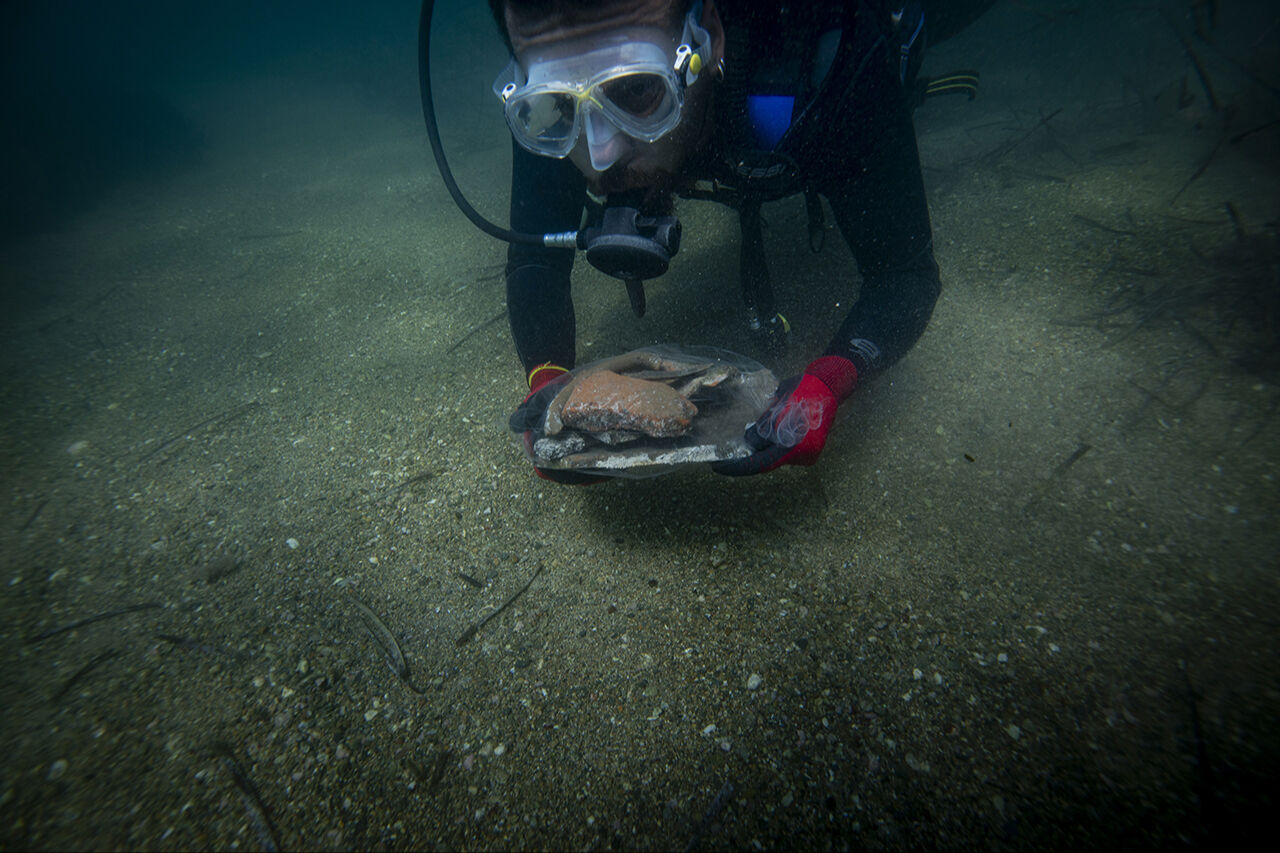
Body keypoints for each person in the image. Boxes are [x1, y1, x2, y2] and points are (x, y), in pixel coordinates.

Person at [490, 0, 990, 480]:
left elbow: (905, 275)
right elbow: (535, 261)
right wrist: (547, 386)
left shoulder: (832, 53)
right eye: (559, 100)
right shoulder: (552, 111)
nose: (601, 153)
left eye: (638, 88)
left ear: (708, 33)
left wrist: (830, 381)